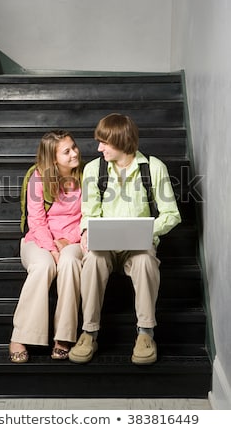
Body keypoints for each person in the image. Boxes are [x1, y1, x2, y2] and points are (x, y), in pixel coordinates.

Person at [68, 113, 181, 365]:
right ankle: (89, 332)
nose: (99, 148)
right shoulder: (93, 170)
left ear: (121, 141)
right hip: (105, 247)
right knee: (94, 261)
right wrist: (86, 232)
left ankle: (145, 333)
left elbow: (171, 215)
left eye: (104, 143)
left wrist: (146, 232)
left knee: (145, 262)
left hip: (138, 246)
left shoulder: (153, 168)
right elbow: (89, 213)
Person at [9, 130, 83, 363]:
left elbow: (89, 216)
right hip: (39, 239)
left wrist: (68, 240)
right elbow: (36, 220)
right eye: (67, 151)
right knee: (43, 266)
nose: (75, 153)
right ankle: (20, 336)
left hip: (75, 239)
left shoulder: (87, 175)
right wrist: (52, 249)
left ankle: (64, 336)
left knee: (70, 263)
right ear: (53, 159)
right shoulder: (38, 177)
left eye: (74, 147)